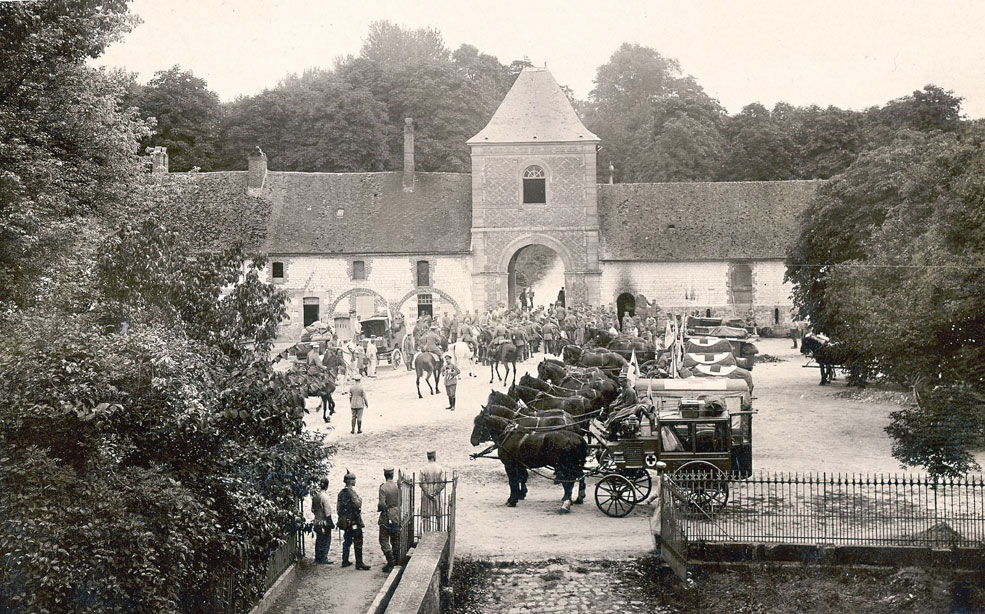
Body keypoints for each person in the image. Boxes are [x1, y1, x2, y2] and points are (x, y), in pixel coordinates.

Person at [337, 470, 371, 570]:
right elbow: (358, 504)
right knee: (358, 540)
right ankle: (359, 563)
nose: (355, 481)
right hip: (354, 521)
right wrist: (360, 499)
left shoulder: (341, 493)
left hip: (346, 522)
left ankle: (345, 560)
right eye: (354, 479)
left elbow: (338, 509)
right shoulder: (351, 493)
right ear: (350, 481)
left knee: (347, 540)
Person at [377, 467, 401, 573]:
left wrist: (379, 508)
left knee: (383, 539)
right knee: (395, 538)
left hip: (386, 515)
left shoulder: (383, 487)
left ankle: (390, 561)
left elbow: (382, 504)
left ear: (384, 475)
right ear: (393, 475)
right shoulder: (397, 486)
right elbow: (401, 502)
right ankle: (396, 560)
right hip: (396, 514)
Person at [419, 451, 446, 531]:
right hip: (436, 494)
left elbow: (421, 482)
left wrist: (428, 493)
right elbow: (443, 483)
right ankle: (439, 531)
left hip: (426, 496)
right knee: (439, 515)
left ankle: (427, 532)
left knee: (426, 516)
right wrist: (436, 492)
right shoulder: (440, 468)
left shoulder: (423, 469)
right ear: (434, 456)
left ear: (428, 457)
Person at [311, 477, 335, 564]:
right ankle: (323, 558)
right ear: (327, 486)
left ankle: (317, 557)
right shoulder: (325, 497)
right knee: (326, 540)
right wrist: (331, 523)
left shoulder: (315, 495)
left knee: (319, 540)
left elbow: (312, 510)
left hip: (317, 521)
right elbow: (327, 513)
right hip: (324, 522)